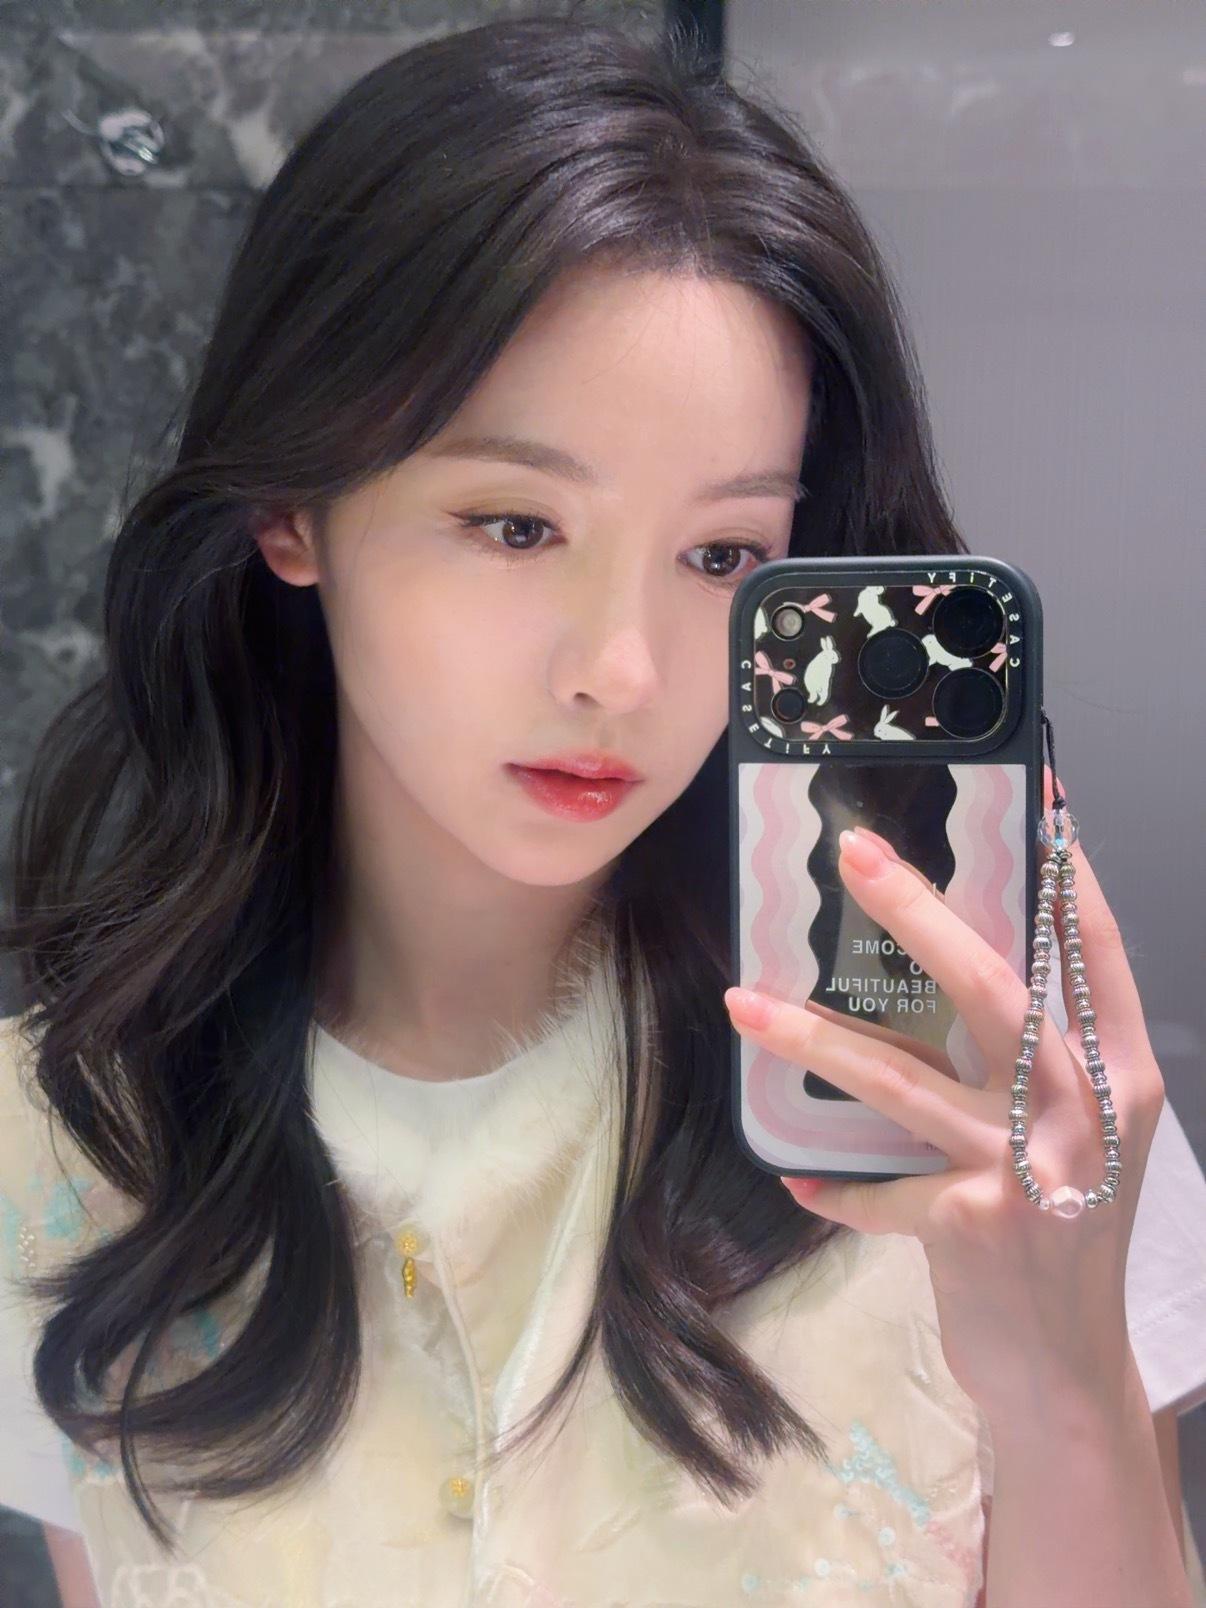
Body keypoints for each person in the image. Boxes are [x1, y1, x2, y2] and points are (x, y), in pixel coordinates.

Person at [1, 16, 1203, 1607]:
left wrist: (1063, 1372)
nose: (621, 671)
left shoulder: (980, 1075)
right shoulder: (67, 1128)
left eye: (721, 556)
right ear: (291, 508)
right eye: (514, 525)